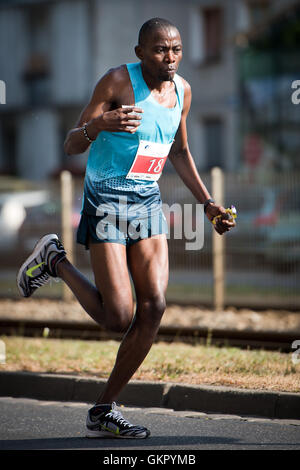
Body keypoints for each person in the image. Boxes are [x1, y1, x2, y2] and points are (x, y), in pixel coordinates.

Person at [17, 18, 236, 439]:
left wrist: (207, 204)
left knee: (153, 307)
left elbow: (181, 150)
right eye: (159, 50)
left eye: (175, 49)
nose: (169, 57)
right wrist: (100, 125)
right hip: (106, 201)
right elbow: (71, 142)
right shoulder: (117, 81)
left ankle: (103, 408)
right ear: (140, 53)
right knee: (118, 317)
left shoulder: (183, 92)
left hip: (147, 202)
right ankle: (54, 259)